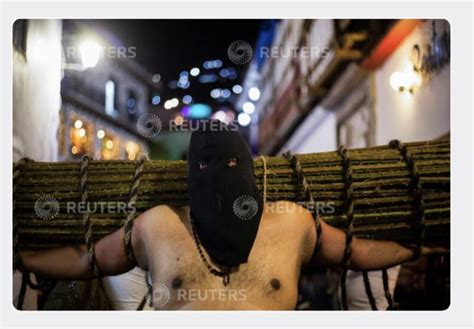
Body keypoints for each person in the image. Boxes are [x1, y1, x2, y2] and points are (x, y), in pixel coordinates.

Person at [19, 125, 445, 310]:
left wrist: (425, 244)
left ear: (247, 169)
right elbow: (85, 261)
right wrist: (21, 258)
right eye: (206, 168)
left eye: (230, 167)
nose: (220, 177)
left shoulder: (292, 223)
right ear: (190, 176)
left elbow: (357, 252)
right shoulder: (158, 224)